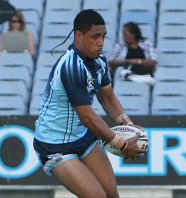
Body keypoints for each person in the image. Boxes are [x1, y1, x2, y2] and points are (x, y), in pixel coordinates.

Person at [33, 9, 146, 198]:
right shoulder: (71, 67)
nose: (101, 42)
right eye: (95, 37)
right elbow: (87, 117)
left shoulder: (100, 61)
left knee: (111, 194)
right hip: (54, 144)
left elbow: (107, 97)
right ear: (78, 35)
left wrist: (128, 124)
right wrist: (122, 144)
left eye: (103, 36)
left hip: (83, 137)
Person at [108, 22, 157, 86]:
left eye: (125, 35)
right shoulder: (120, 46)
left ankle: (133, 77)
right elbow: (111, 62)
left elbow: (153, 62)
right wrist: (125, 62)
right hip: (126, 69)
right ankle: (138, 78)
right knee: (121, 71)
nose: (123, 37)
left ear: (133, 35)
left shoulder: (146, 44)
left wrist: (136, 61)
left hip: (142, 70)